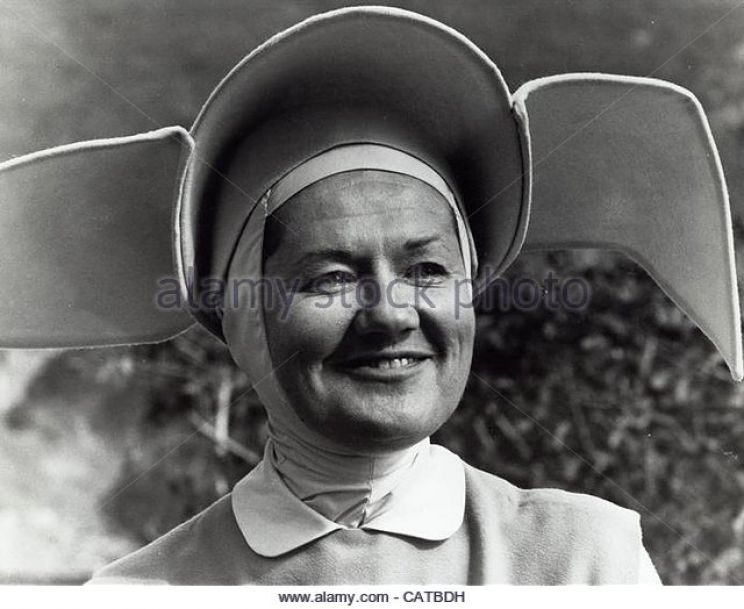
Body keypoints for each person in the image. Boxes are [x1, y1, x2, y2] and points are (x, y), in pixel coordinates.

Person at [0, 6, 740, 585]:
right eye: (329, 278)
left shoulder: (591, 563)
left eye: (427, 270)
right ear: (242, 315)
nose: (389, 312)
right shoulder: (142, 591)